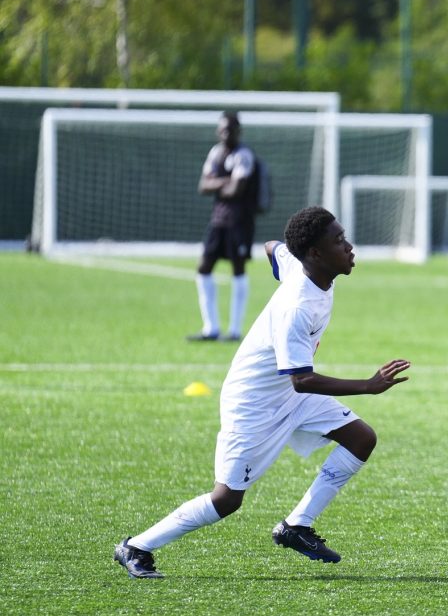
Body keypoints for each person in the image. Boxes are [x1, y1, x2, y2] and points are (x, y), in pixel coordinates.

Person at [116, 206, 411, 578]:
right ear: (316, 254)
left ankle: (296, 527)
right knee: (226, 500)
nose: (349, 247)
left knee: (360, 438)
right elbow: (302, 380)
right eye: (339, 241)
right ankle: (137, 546)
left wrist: (288, 251)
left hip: (288, 394)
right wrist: (367, 386)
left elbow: (274, 247)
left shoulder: (300, 264)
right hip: (254, 403)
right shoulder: (297, 307)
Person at [189, 111, 261, 342]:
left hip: (239, 222)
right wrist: (225, 181)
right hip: (218, 220)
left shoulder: (244, 155)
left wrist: (217, 183)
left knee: (238, 269)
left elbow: (236, 189)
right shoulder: (216, 153)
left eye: (230, 129)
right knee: (203, 267)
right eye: (222, 129)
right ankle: (211, 328)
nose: (226, 134)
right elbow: (203, 186)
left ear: (239, 131)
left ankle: (235, 330)